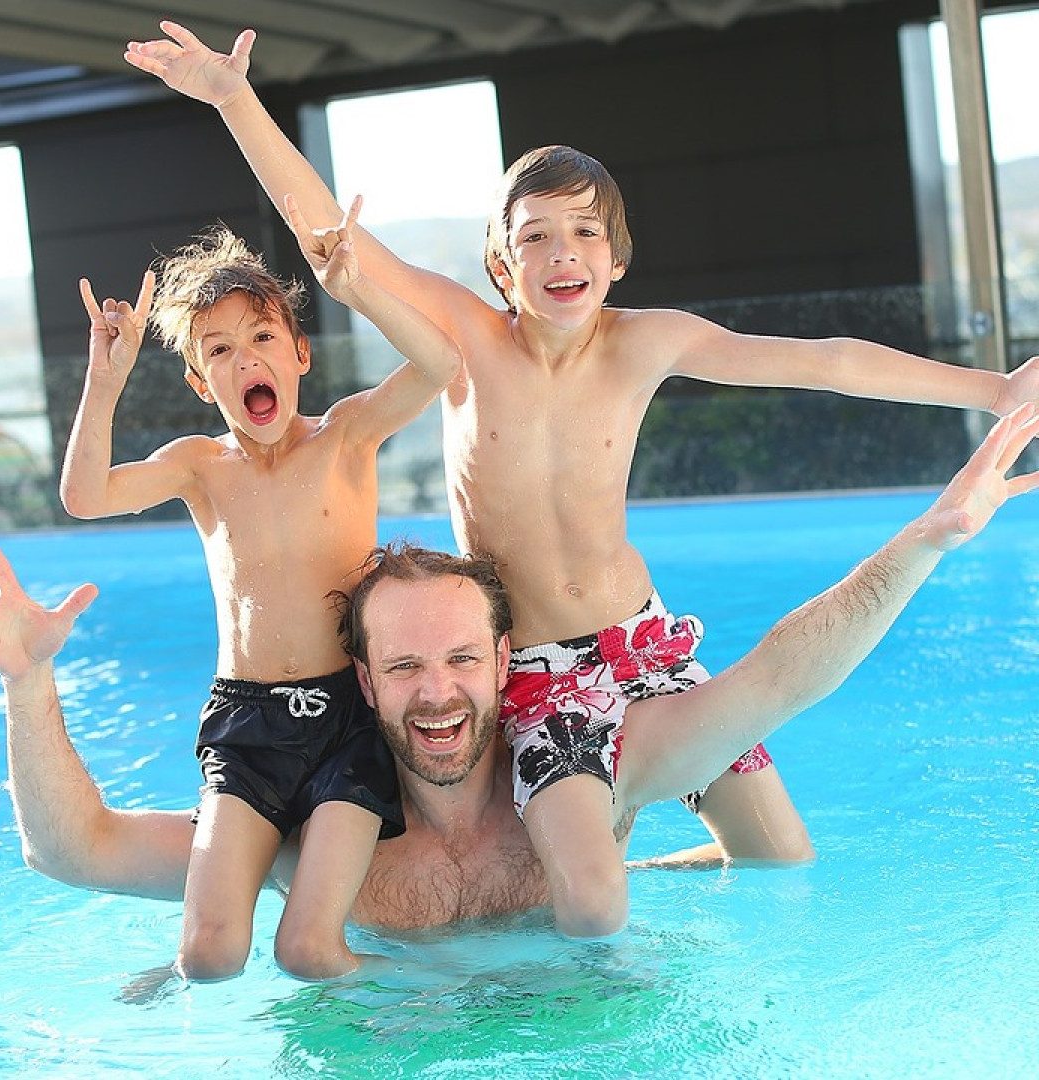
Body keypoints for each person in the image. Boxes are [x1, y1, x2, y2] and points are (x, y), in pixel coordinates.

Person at [121, 22, 1039, 937]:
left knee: (778, 856)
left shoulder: (648, 342)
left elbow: (824, 361)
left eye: (585, 233)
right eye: (536, 237)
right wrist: (236, 98)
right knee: (592, 903)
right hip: (539, 672)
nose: (563, 254)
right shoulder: (471, 340)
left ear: (617, 258)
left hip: (647, 644)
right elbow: (331, 234)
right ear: (500, 265)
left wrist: (993, 388)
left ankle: (656, 854)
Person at [0, 406, 1039, 935]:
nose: (438, 691)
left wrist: (929, 540)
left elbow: (776, 679)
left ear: (506, 662)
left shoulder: (587, 775)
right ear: (363, 684)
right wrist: (28, 686)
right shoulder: (311, 836)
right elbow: (71, 851)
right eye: (404, 664)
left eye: (463, 659)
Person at [54, 198, 460, 981]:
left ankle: (443, 998)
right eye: (220, 351)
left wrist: (363, 292)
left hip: (349, 720)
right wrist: (105, 381)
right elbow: (84, 497)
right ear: (202, 382)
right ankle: (191, 963)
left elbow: (443, 365)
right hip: (247, 725)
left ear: (300, 354)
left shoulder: (346, 435)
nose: (246, 362)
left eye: (262, 338)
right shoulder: (201, 465)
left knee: (307, 950)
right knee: (207, 957)